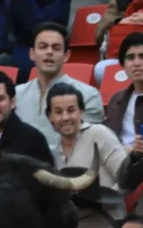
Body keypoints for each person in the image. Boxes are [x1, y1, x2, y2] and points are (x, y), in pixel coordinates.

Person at [46, 82, 128, 219]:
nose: (65, 117)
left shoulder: (99, 134)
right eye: (59, 112)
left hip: (108, 221)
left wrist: (106, 200)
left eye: (71, 110)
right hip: (73, 227)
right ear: (50, 117)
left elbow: (127, 179)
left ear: (81, 111)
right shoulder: (52, 152)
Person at [15, 21, 104, 147]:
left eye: (56, 48)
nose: (49, 52)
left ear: (66, 56)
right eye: (43, 47)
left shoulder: (88, 95)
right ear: (32, 54)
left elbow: (87, 145)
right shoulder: (16, 95)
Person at [105, 32, 143, 149]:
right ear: (123, 65)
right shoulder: (116, 100)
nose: (137, 63)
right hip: (119, 162)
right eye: (130, 58)